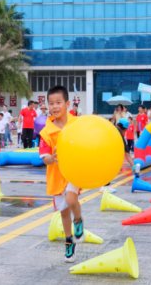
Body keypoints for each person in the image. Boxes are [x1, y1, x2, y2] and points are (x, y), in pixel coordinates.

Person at [39, 85, 83, 263]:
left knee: (72, 199)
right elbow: (44, 157)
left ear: (67, 103)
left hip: (73, 171)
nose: (55, 106)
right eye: (51, 103)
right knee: (64, 212)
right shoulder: (46, 132)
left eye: (58, 102)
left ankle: (78, 220)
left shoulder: (76, 124)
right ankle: (69, 241)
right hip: (56, 175)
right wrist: (52, 158)